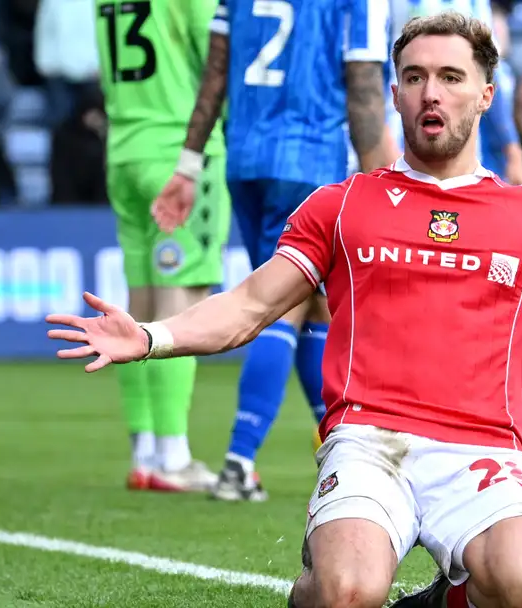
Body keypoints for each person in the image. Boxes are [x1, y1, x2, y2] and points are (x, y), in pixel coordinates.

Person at [47, 13, 522, 608]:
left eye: (452, 77)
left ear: (486, 94)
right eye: (416, 76)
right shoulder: (343, 203)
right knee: (345, 591)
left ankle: (442, 598)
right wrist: (148, 334)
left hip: (483, 450)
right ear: (393, 93)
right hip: (369, 444)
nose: (433, 92)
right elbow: (248, 308)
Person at [150, 0, 397, 501]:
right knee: (283, 304)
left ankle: (342, 443)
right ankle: (239, 464)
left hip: (245, 158)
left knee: (314, 308)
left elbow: (214, 74)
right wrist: (388, 190)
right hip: (311, 160)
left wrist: (189, 164)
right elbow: (366, 92)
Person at [93, 0, 231, 492]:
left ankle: (145, 450)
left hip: (125, 150)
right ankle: (174, 456)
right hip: (178, 151)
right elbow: (218, 57)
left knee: (139, 303)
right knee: (180, 304)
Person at [388, 0, 522, 185]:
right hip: (398, 141)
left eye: (450, 78)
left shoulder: (475, 4)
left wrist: (513, 151)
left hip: (462, 159)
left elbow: (490, 74)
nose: (431, 94)